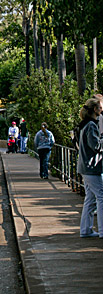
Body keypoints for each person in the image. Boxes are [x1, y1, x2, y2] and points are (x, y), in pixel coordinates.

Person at [77, 97, 103, 238]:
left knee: (90, 198)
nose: (101, 110)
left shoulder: (84, 124)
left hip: (84, 167)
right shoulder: (92, 125)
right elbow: (96, 146)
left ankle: (85, 230)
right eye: (99, 107)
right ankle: (101, 230)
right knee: (101, 196)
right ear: (95, 109)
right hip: (91, 167)